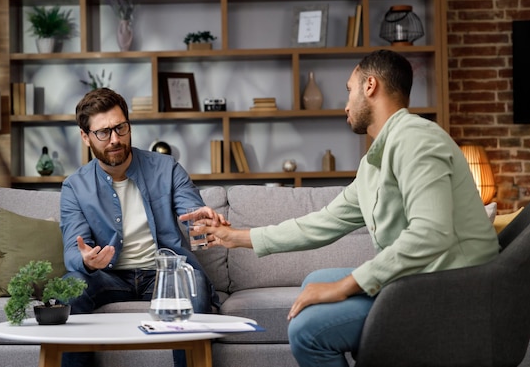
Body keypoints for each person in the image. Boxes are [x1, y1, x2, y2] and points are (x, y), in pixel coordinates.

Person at [184, 49, 500, 367]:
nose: (346, 104)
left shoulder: (416, 141)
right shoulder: (376, 161)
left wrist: (344, 287)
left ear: (370, 86)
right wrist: (234, 236)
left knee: (307, 330)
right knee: (316, 279)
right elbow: (323, 222)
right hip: (421, 279)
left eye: (349, 89)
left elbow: (430, 235)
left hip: (452, 290)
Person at [59, 88, 223, 367]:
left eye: (120, 128)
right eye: (103, 132)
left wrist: (203, 222)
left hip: (163, 273)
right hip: (109, 278)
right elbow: (72, 251)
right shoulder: (75, 186)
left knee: (193, 281)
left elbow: (193, 215)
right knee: (69, 285)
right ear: (85, 137)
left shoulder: (166, 168)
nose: (115, 139)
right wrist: (86, 260)